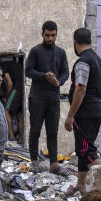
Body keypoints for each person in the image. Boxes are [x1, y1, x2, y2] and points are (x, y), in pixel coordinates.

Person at [64, 27, 101, 194]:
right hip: (96, 110)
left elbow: (80, 89)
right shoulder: (98, 60)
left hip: (86, 112)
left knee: (87, 151)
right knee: (82, 148)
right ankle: (81, 184)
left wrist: (70, 115)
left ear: (75, 42)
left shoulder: (83, 62)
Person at [25, 21, 69, 173]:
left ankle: (54, 164)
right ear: (42, 34)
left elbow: (65, 72)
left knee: (53, 131)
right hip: (37, 97)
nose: (50, 38)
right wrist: (44, 76)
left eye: (53, 35)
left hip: (53, 97)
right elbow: (28, 71)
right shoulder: (35, 51)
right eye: (47, 35)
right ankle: (34, 161)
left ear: (56, 34)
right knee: (35, 130)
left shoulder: (61, 52)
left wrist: (58, 81)